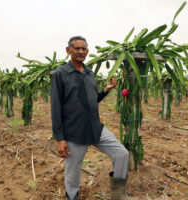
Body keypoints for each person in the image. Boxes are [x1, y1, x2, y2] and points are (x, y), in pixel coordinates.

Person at [51, 36, 137, 200]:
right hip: (74, 131)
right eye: (77, 48)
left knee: (121, 154)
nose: (81, 52)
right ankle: (72, 196)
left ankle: (118, 195)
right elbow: (55, 107)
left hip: (95, 128)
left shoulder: (90, 74)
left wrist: (105, 90)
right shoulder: (60, 74)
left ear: (87, 51)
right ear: (68, 50)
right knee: (73, 170)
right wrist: (60, 138)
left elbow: (92, 100)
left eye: (84, 49)